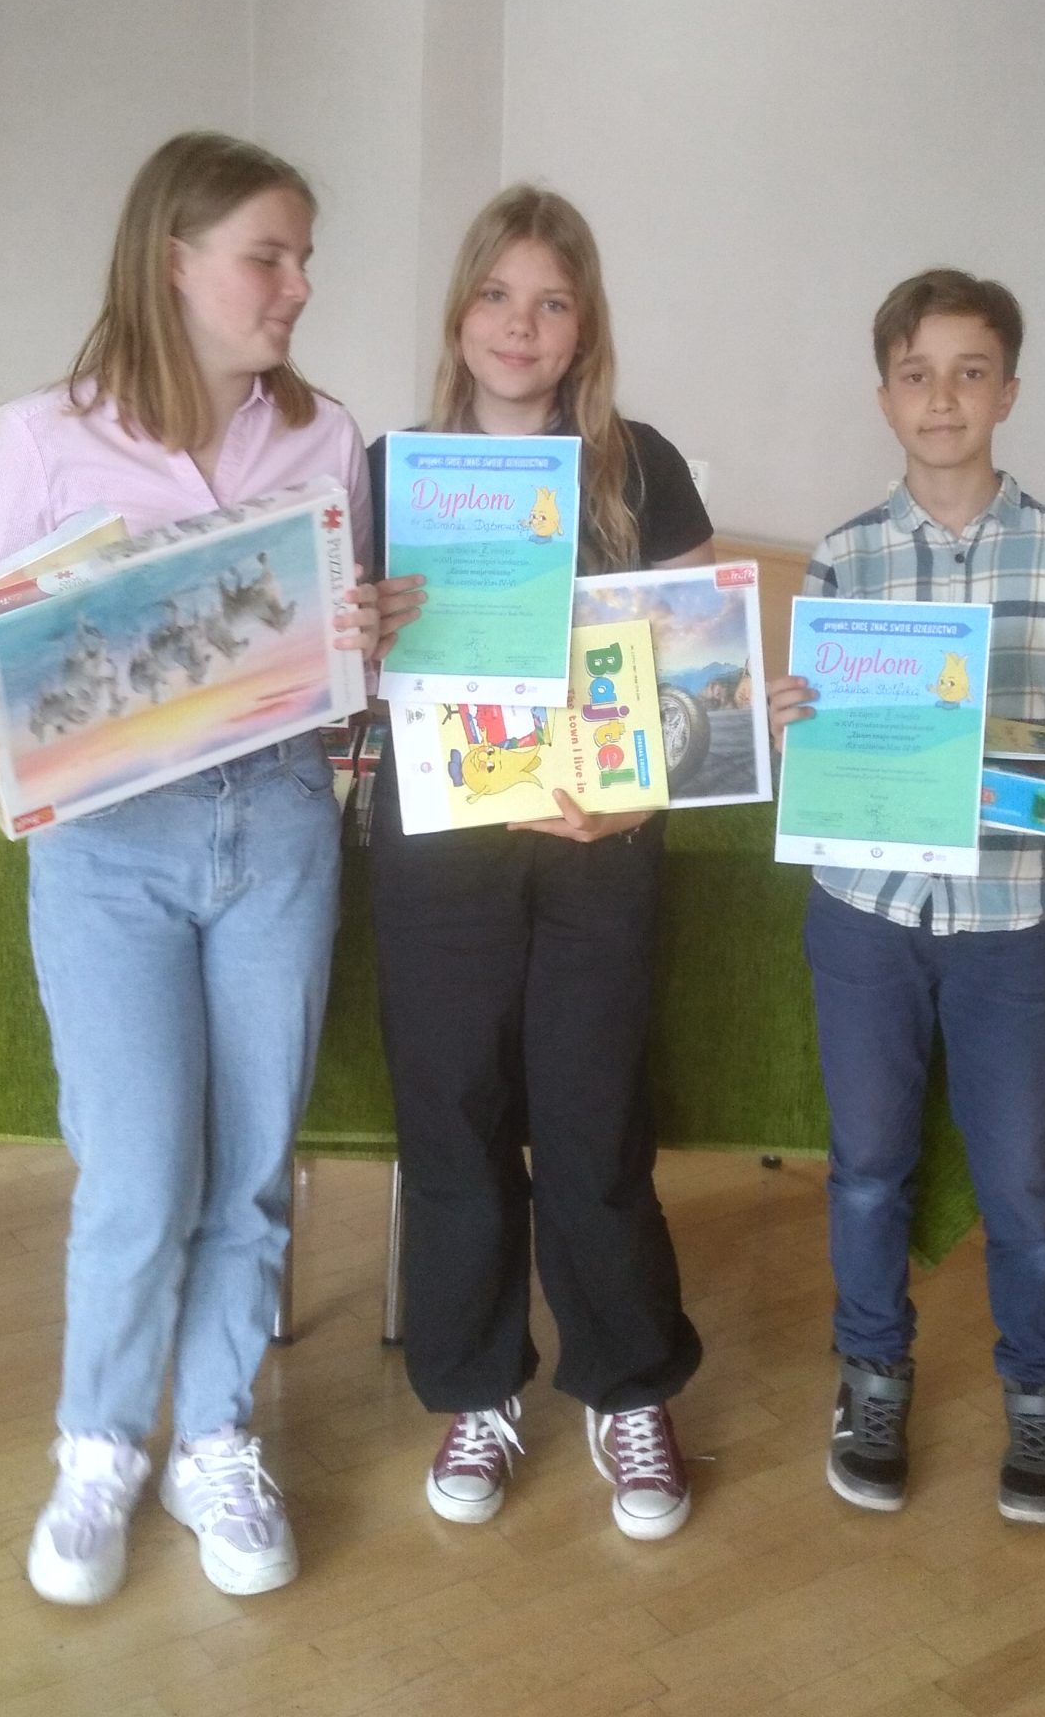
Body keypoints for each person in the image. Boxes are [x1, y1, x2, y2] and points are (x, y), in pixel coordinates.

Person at [0, 131, 381, 1605]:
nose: (298, 285)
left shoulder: (326, 439)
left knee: (251, 1171)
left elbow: (347, 676)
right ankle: (101, 1449)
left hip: (281, 825)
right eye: (269, 256)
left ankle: (216, 1441)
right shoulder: (40, 438)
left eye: (304, 257)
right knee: (136, 1172)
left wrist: (372, 636)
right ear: (174, 262)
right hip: (110, 848)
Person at [765, 268, 1045, 1525]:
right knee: (866, 1168)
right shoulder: (845, 556)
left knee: (1021, 1181)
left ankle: (1043, 1394)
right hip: (865, 913)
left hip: (1009, 922)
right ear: (885, 395)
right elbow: (815, 737)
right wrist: (786, 720)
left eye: (969, 372)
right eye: (917, 374)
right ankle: (872, 1376)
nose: (942, 398)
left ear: (1008, 392)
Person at [362, 187, 710, 1539]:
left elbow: (696, 680)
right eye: (498, 295)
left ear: (585, 325)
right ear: (460, 311)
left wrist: (631, 804)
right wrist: (362, 631)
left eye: (552, 301)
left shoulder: (642, 467)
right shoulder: (388, 475)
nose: (521, 324)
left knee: (593, 1120)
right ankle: (476, 1390)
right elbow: (340, 668)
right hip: (438, 849)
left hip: (596, 850)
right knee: (450, 1122)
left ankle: (628, 1386)